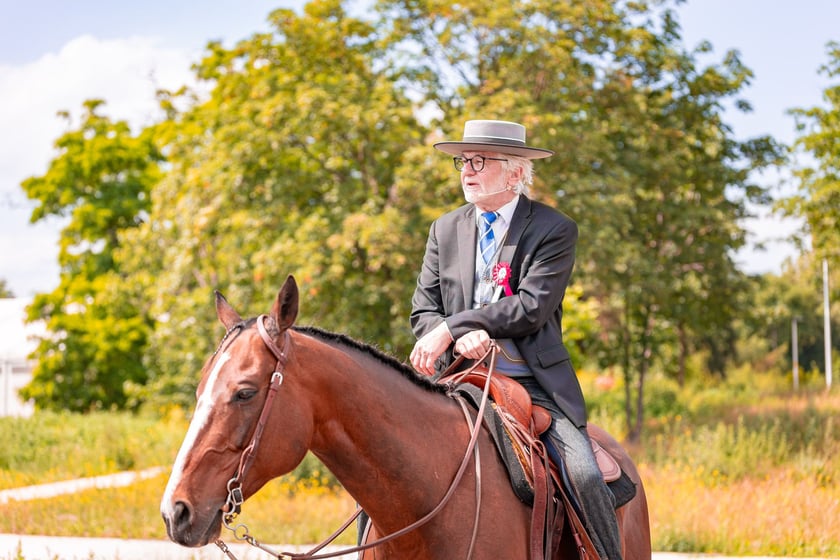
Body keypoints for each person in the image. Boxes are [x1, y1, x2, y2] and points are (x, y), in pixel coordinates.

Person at [409, 119, 623, 560]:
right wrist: (450, 337)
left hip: (531, 387)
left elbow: (532, 307)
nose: (467, 170)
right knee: (382, 462)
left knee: (583, 475)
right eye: (462, 161)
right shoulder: (444, 230)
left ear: (514, 172)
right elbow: (423, 310)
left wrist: (456, 326)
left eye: (479, 160)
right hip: (453, 379)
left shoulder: (553, 228)